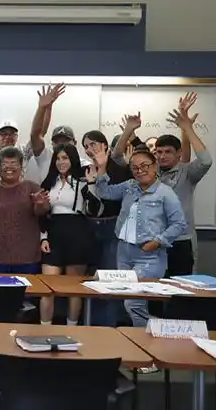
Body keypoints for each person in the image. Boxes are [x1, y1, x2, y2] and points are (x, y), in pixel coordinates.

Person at [92, 147, 187, 328]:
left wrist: (157, 242)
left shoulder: (165, 193)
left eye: (145, 166)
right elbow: (104, 192)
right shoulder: (130, 186)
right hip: (124, 251)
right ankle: (148, 334)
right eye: (135, 168)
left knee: (133, 303)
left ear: (155, 166)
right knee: (127, 298)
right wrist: (102, 167)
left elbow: (179, 224)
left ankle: (164, 330)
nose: (140, 171)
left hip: (149, 255)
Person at [38, 144, 97, 326]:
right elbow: (42, 213)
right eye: (58, 158)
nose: (61, 162)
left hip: (77, 233)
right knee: (47, 288)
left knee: (74, 289)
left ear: (73, 159)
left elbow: (94, 209)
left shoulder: (83, 181)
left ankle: (72, 329)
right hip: (53, 234)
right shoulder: (49, 182)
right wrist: (43, 237)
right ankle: (44, 329)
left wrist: (92, 184)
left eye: (65, 158)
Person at [81, 130, 132, 326]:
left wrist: (101, 173)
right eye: (86, 146)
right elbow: (90, 205)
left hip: (113, 227)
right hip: (90, 227)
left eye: (93, 144)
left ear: (105, 145)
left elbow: (112, 198)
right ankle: (91, 324)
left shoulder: (120, 167)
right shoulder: (86, 170)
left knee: (110, 277)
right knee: (91, 278)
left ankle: (110, 325)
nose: (89, 149)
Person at [155, 105, 211, 276]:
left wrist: (188, 128)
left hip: (181, 240)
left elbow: (206, 161)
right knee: (152, 288)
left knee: (181, 287)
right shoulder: (149, 172)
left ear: (178, 153)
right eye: (159, 152)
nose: (162, 156)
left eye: (168, 152)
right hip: (154, 240)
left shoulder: (187, 172)